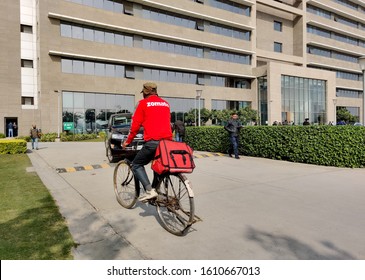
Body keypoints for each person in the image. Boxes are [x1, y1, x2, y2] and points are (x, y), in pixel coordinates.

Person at [122, 82, 172, 201]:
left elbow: (134, 126)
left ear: (145, 92)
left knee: (136, 164)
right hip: (167, 143)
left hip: (152, 142)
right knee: (158, 166)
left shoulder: (142, 103)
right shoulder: (166, 104)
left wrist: (128, 141)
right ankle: (156, 189)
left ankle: (149, 191)